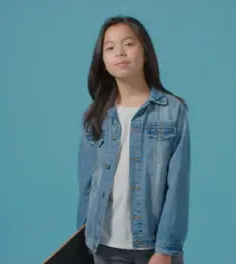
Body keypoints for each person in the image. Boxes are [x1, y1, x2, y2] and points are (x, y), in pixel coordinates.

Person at [76, 15, 190, 264]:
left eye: (129, 43)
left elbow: (177, 188)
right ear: (103, 61)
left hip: (152, 248)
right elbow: (87, 187)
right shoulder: (96, 115)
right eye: (110, 47)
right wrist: (81, 243)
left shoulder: (172, 111)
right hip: (103, 247)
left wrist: (165, 251)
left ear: (145, 52)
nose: (120, 52)